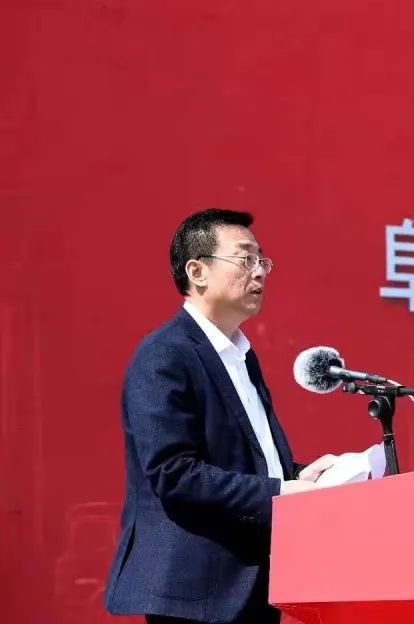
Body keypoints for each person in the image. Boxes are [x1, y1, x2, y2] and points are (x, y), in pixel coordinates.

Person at [104, 208, 338, 624]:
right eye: (245, 258)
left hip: (255, 584)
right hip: (196, 594)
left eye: (262, 260)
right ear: (197, 271)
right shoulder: (165, 355)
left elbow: (245, 464)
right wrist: (282, 492)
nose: (260, 271)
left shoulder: (241, 356)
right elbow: (174, 474)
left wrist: (302, 477)